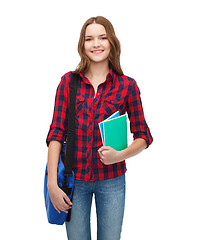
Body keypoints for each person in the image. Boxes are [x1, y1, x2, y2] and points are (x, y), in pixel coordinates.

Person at [46, 16, 153, 240]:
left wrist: (120, 155)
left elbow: (143, 136)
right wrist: (52, 184)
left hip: (112, 181)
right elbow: (56, 133)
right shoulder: (68, 82)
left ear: (111, 42)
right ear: (82, 45)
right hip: (73, 181)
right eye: (89, 39)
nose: (96, 44)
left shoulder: (127, 86)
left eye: (103, 37)